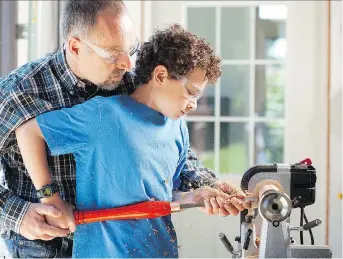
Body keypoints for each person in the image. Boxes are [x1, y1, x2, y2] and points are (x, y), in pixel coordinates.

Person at [0, 0, 248, 257]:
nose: (128, 65)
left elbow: (164, 155)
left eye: (131, 49)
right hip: (43, 246)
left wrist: (208, 187)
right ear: (75, 47)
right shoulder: (19, 92)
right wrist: (19, 215)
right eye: (112, 54)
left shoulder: (131, 86)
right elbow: (30, 133)